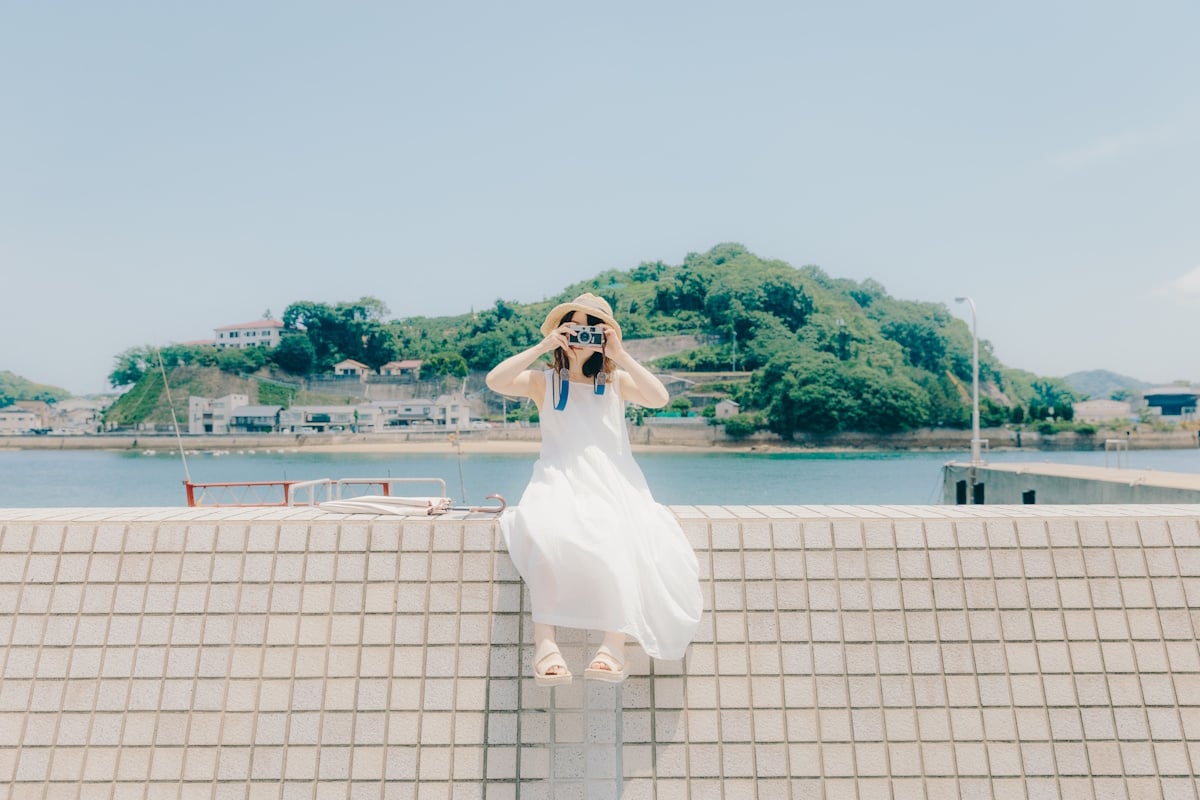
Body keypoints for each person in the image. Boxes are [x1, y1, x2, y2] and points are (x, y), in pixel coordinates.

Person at [486, 293, 703, 686]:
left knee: (617, 534)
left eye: (592, 327)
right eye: (574, 325)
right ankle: (545, 646)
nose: (582, 334)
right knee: (544, 532)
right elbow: (495, 380)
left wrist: (619, 354)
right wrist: (544, 346)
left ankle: (612, 646)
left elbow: (660, 397)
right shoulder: (544, 382)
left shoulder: (616, 381)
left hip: (613, 480)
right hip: (556, 477)